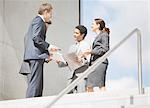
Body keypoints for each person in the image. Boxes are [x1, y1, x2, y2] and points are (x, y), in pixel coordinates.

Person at [22, 3, 59, 98]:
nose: (51, 16)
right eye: (51, 13)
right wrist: (49, 46)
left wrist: (46, 55)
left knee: (37, 85)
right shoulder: (39, 21)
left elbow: (31, 39)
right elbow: (36, 38)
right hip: (35, 57)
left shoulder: (35, 21)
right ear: (46, 12)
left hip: (36, 57)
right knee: (35, 85)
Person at [57, 25, 91, 93]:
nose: (74, 35)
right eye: (74, 32)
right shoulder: (72, 47)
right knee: (68, 96)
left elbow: (88, 60)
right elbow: (68, 62)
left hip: (81, 75)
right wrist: (59, 62)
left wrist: (81, 60)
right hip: (71, 76)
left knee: (81, 96)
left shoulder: (86, 45)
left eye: (76, 33)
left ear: (82, 35)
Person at [83, 18, 110, 92]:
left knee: (100, 85)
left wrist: (91, 51)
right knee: (89, 86)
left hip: (100, 62)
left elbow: (105, 49)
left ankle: (105, 100)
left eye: (93, 24)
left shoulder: (104, 35)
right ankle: (90, 101)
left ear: (98, 25)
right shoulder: (98, 36)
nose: (91, 25)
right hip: (94, 63)